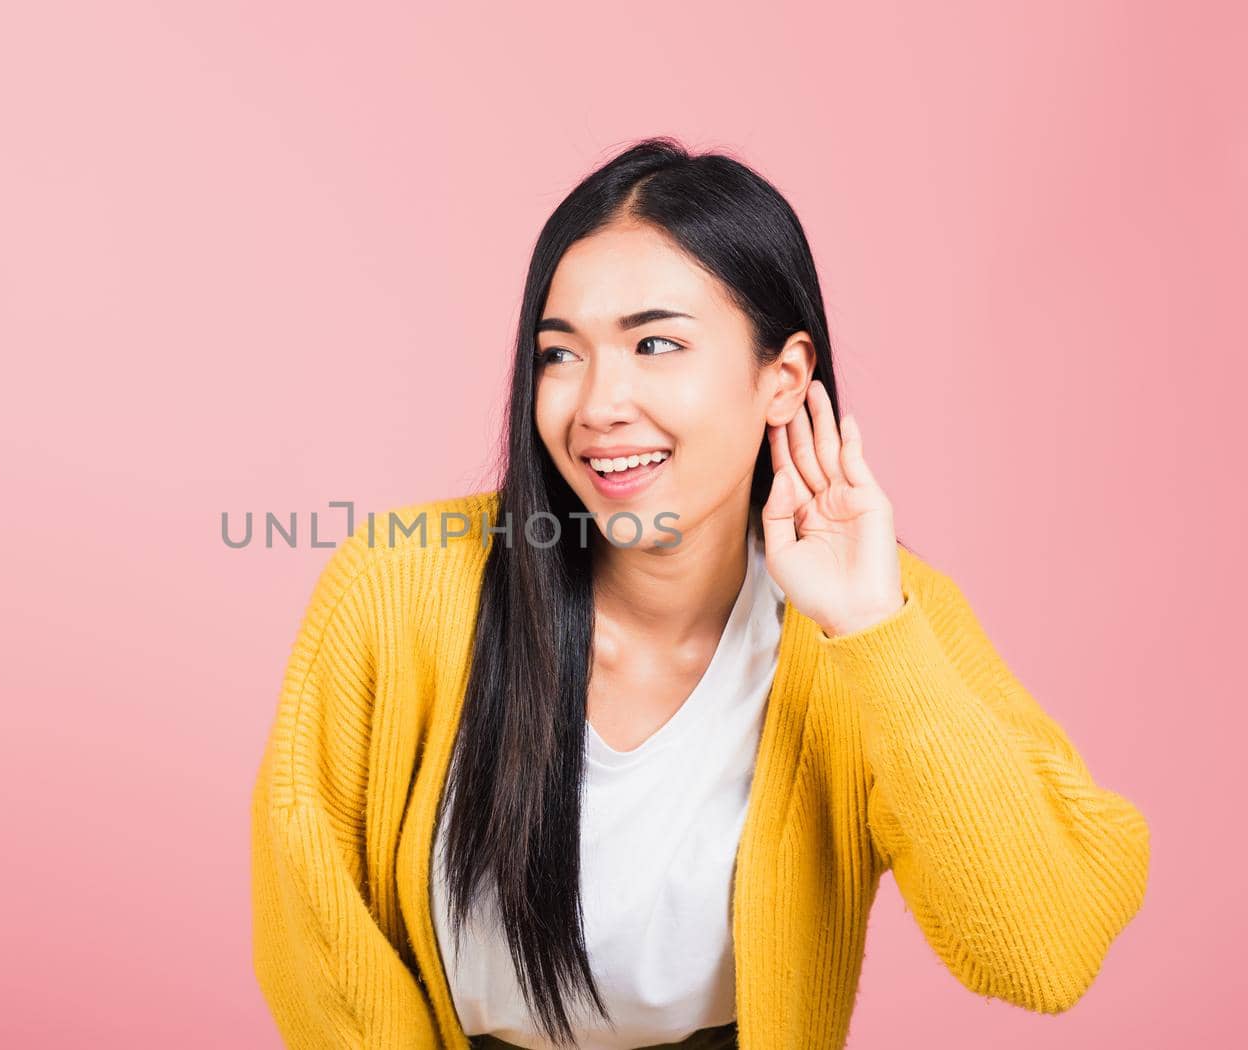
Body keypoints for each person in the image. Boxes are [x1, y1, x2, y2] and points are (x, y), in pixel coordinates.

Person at [248, 137, 1150, 1050]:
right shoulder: (399, 587)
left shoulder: (881, 621)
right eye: (560, 356)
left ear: (782, 378)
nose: (598, 403)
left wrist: (874, 632)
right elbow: (314, 931)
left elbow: (1043, 952)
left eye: (655, 343)